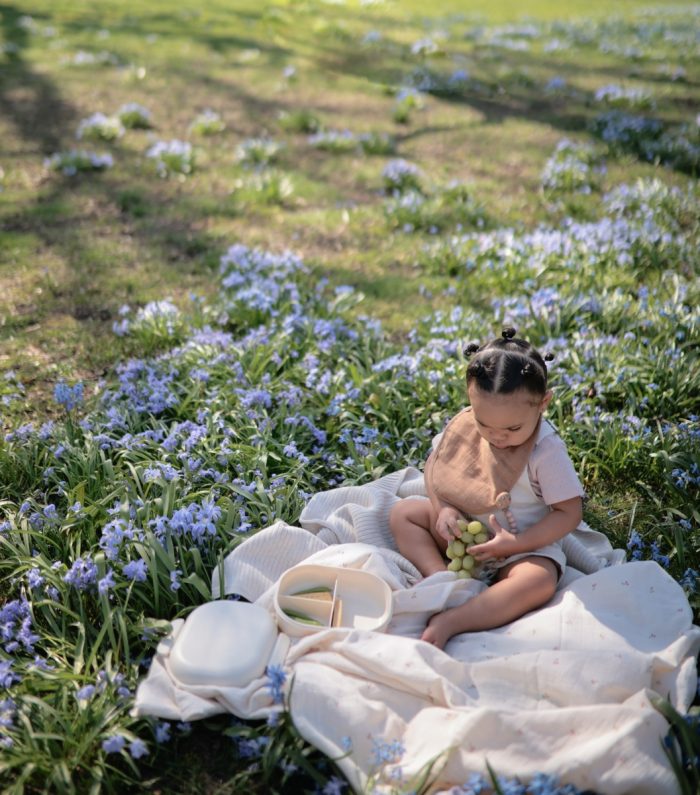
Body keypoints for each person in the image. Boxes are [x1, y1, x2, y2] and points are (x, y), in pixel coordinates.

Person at [389, 327, 585, 650]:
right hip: (464, 535)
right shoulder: (466, 425)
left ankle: (455, 619)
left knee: (539, 580)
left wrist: (517, 544)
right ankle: (443, 581)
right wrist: (444, 511)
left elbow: (569, 512)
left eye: (512, 428)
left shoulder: (545, 451)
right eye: (484, 424)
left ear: (543, 403)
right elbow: (436, 469)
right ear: (470, 398)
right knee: (404, 514)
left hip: (522, 547)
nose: (497, 437)